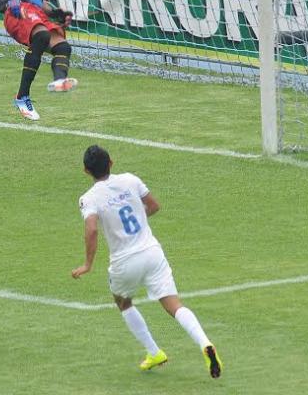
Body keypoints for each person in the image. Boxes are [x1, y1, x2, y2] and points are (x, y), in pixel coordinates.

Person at [71, 145, 223, 379]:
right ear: (111, 162)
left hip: (124, 262)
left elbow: (91, 229)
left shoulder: (89, 198)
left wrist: (87, 264)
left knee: (123, 302)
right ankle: (205, 342)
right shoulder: (131, 179)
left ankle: (154, 352)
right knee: (174, 305)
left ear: (85, 171)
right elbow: (154, 206)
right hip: (152, 253)